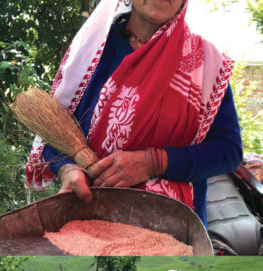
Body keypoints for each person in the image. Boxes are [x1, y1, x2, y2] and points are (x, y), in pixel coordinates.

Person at [25, 0, 242, 227]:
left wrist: (153, 162)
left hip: (174, 226)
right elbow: (55, 129)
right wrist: (67, 168)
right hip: (90, 215)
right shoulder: (93, 49)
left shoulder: (203, 63)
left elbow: (228, 151)